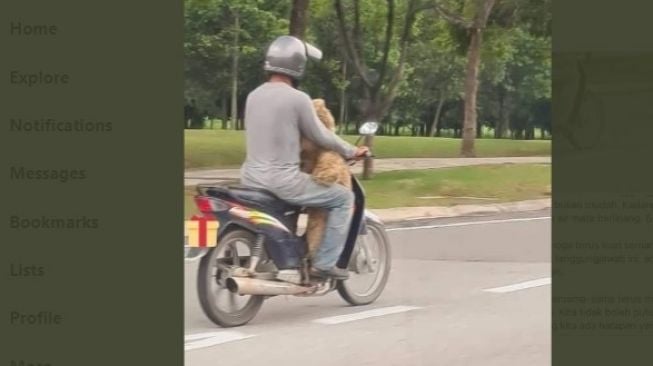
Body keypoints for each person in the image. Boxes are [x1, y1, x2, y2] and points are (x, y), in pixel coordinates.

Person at [240, 35, 368, 280]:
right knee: (343, 198)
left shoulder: (253, 95)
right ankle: (323, 264)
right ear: (298, 65)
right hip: (283, 181)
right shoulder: (298, 99)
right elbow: (322, 136)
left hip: (250, 177)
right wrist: (352, 151)